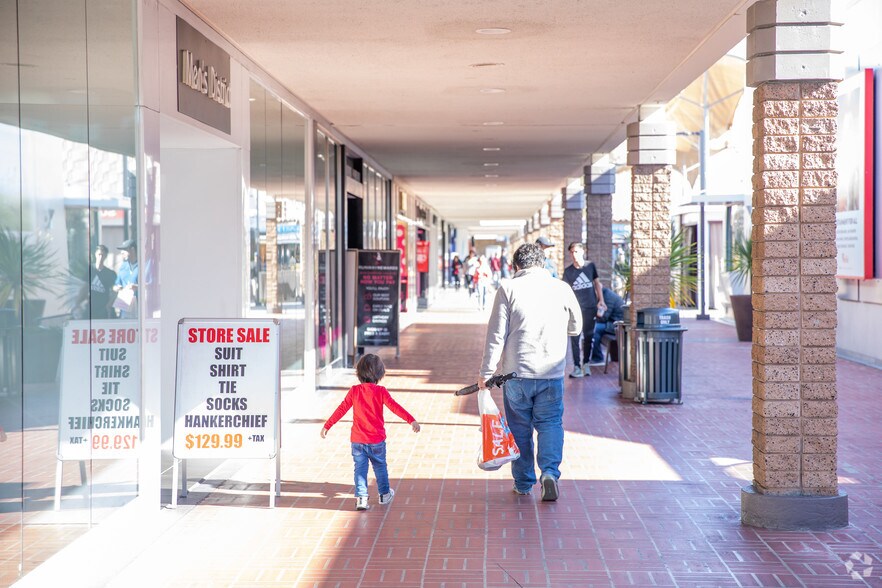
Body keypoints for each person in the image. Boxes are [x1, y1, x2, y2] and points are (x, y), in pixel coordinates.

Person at [478, 243, 582, 501]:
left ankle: (524, 483)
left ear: (516, 267)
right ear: (543, 262)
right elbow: (576, 326)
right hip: (551, 374)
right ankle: (549, 473)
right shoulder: (562, 288)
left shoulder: (508, 288)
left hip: (516, 375)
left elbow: (496, 335)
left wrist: (486, 373)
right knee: (550, 424)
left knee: (519, 428)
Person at [321, 353, 421, 511]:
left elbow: (341, 409)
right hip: (376, 440)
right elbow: (395, 407)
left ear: (359, 373)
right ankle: (384, 494)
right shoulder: (380, 391)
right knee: (380, 466)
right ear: (380, 374)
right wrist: (411, 420)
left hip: (357, 440)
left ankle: (361, 499)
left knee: (360, 468)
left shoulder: (354, 391)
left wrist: (327, 425)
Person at [562, 242, 606, 378]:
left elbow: (597, 284)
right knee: (574, 338)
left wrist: (601, 300)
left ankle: (586, 363)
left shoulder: (590, 266)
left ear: (582, 251)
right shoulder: (568, 272)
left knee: (588, 337)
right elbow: (565, 291)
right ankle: (576, 366)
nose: (574, 255)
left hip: (590, 308)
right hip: (575, 310)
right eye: (572, 252)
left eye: (576, 251)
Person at [75, 244, 117, 319]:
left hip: (103, 309)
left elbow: (114, 291)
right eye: (99, 254)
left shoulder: (110, 274)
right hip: (90, 308)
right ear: (95, 254)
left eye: (103, 255)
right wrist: (78, 303)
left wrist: (109, 305)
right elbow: (84, 288)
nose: (100, 257)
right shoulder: (90, 270)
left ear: (106, 256)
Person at [589, 286, 626, 366]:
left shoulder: (608, 297)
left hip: (616, 325)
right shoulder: (605, 295)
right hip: (612, 323)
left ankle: (598, 357)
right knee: (595, 329)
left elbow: (603, 317)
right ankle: (596, 356)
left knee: (595, 329)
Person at [113, 238, 139, 319]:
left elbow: (151, 286)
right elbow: (116, 285)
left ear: (132, 249)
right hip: (124, 306)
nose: (121, 252)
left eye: (124, 249)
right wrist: (117, 288)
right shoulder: (123, 266)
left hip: (140, 308)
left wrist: (137, 287)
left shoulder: (142, 265)